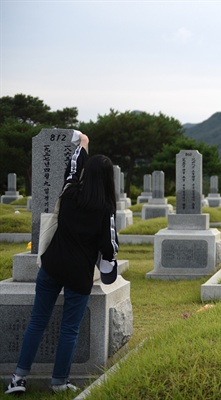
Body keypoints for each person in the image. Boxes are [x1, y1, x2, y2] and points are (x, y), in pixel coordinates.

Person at [6, 133, 119, 395]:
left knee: (37, 321)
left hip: (52, 266)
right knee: (69, 329)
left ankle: (18, 378)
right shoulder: (105, 207)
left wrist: (83, 144)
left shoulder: (69, 192)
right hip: (79, 274)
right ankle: (58, 382)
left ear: (85, 173)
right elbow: (109, 246)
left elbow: (72, 167)